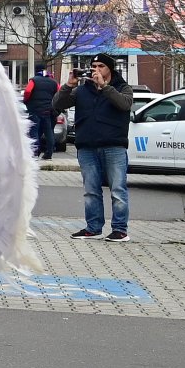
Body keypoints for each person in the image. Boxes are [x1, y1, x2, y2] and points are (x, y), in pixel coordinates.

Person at [55, 53, 131, 241]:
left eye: (101, 66)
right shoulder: (82, 90)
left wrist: (104, 87)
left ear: (110, 69)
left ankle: (120, 230)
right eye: (93, 66)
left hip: (114, 146)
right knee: (91, 191)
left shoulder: (122, 88)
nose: (96, 70)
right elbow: (57, 104)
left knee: (118, 190)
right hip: (87, 147)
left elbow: (124, 104)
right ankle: (93, 227)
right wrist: (69, 85)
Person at [25, 65, 59, 159]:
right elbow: (59, 94)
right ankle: (49, 153)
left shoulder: (33, 80)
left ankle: (34, 152)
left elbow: (27, 91)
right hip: (48, 111)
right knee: (49, 132)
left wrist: (26, 101)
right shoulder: (54, 82)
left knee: (34, 131)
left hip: (35, 110)